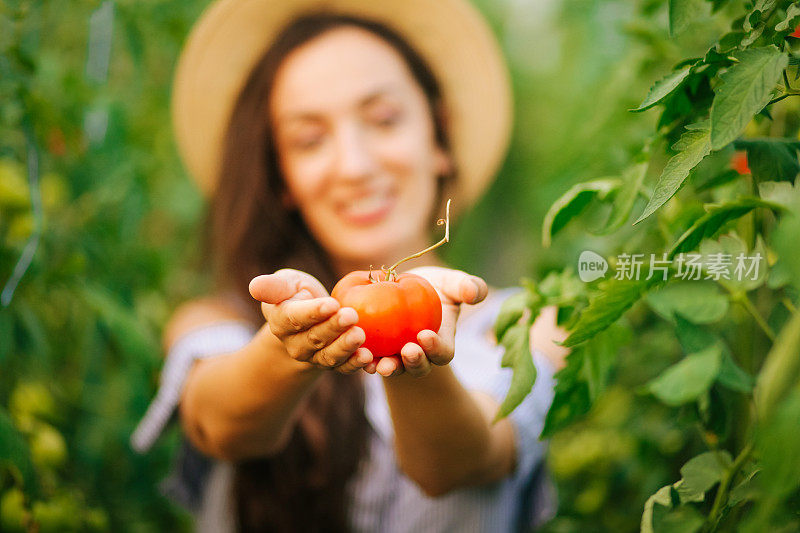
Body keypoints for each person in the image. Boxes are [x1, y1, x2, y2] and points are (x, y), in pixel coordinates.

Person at [131, 0, 569, 531]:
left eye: (384, 119)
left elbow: (463, 463)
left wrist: (414, 358)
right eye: (309, 139)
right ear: (282, 177)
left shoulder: (528, 325)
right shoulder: (221, 322)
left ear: (439, 135)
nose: (355, 166)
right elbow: (222, 426)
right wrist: (288, 348)